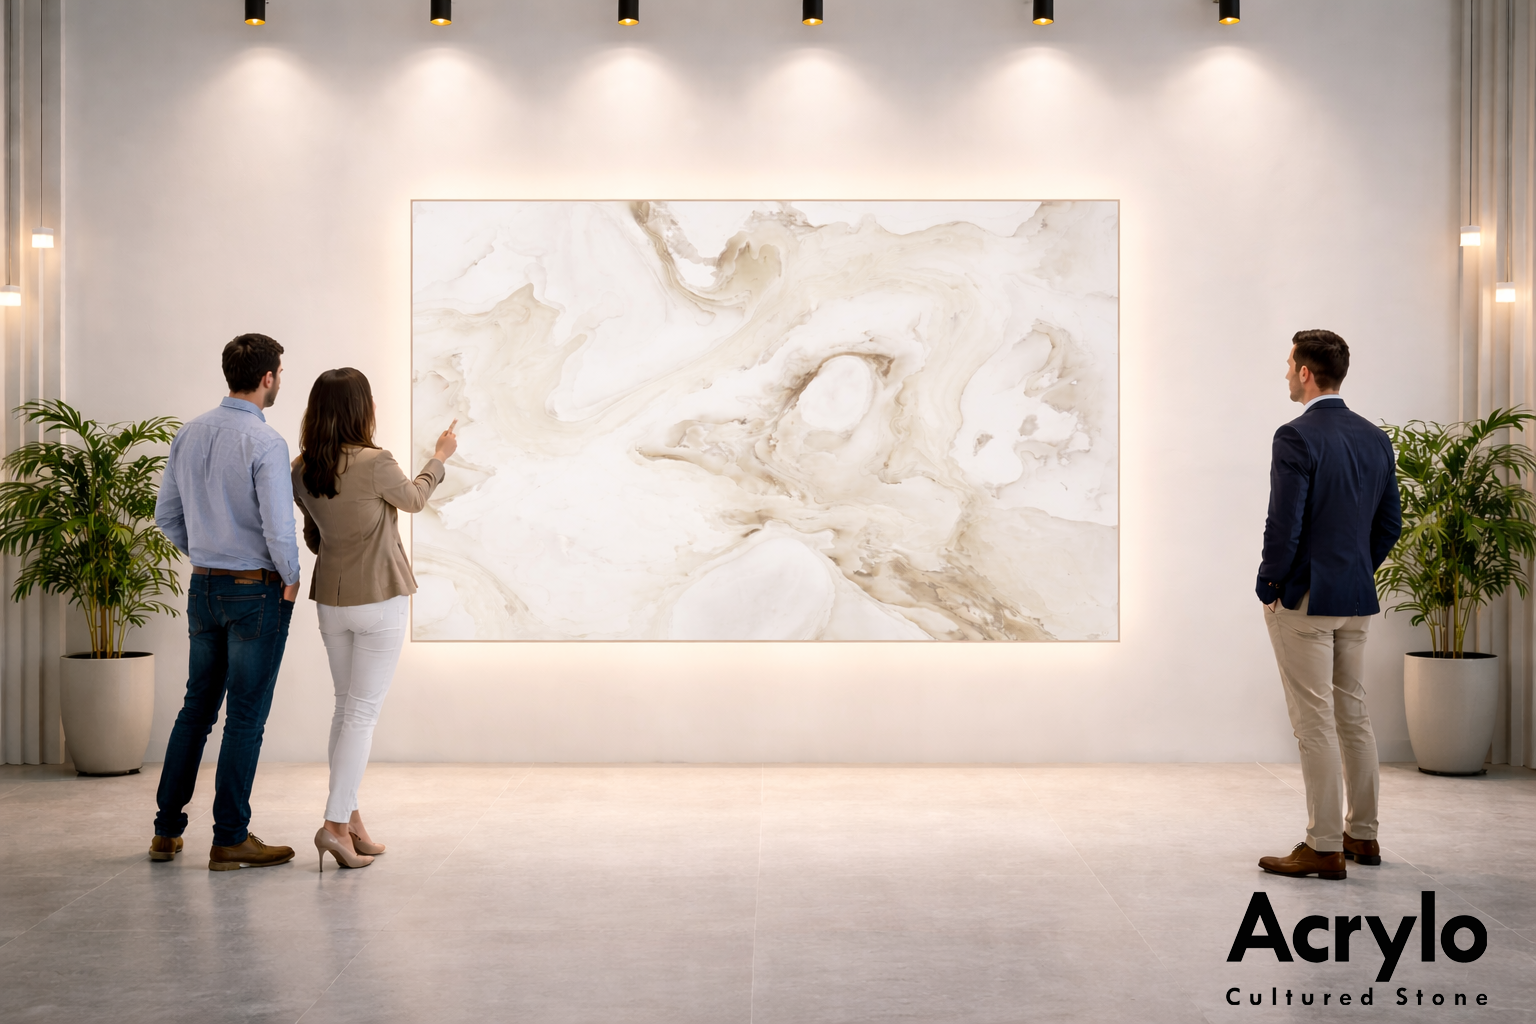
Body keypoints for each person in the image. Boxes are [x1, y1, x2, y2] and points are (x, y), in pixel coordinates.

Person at [292, 367, 456, 871]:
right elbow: (415, 499)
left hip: (331, 603)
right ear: (363, 410)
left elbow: (314, 536)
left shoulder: (301, 468)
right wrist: (439, 458)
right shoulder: (375, 461)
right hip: (379, 598)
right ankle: (335, 826)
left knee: (345, 711)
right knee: (360, 716)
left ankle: (352, 820)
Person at [151, 334, 301, 871]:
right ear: (267, 378)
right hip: (255, 592)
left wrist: (209, 557)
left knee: (195, 710)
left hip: (203, 587)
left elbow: (166, 515)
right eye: (279, 372)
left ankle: (166, 833)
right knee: (244, 717)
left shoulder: (188, 434)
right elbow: (280, 530)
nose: (279, 380)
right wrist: (290, 578)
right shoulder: (266, 443)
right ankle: (230, 837)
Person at [1255, 329, 1402, 880]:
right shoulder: (1373, 438)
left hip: (1306, 600)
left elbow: (1283, 525)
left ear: (1305, 374)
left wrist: (1270, 584)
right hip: (1355, 597)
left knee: (1314, 721)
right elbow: (1390, 522)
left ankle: (1322, 846)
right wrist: (1358, 570)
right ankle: (1362, 836)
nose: (1285, 373)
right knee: (1354, 714)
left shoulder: (1295, 437)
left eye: (1288, 364)